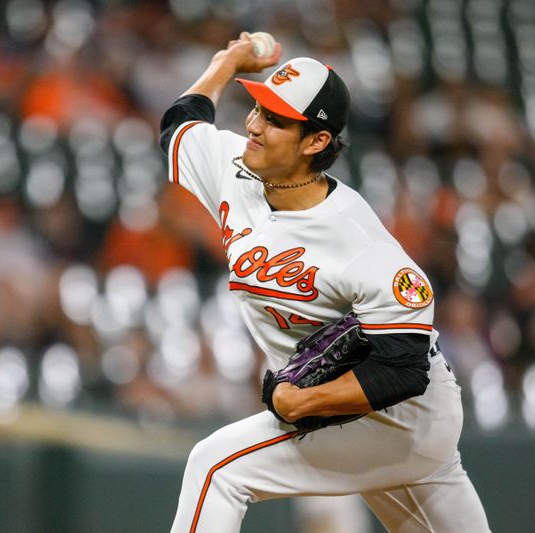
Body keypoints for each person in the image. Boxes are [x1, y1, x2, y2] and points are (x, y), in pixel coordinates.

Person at [158, 32, 490, 533]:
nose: (254, 125)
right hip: (377, 429)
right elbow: (180, 125)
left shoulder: (359, 240)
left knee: (216, 467)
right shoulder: (236, 170)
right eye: (257, 108)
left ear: (315, 141)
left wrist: (302, 401)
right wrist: (227, 63)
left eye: (275, 119)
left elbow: (403, 370)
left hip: (398, 416)